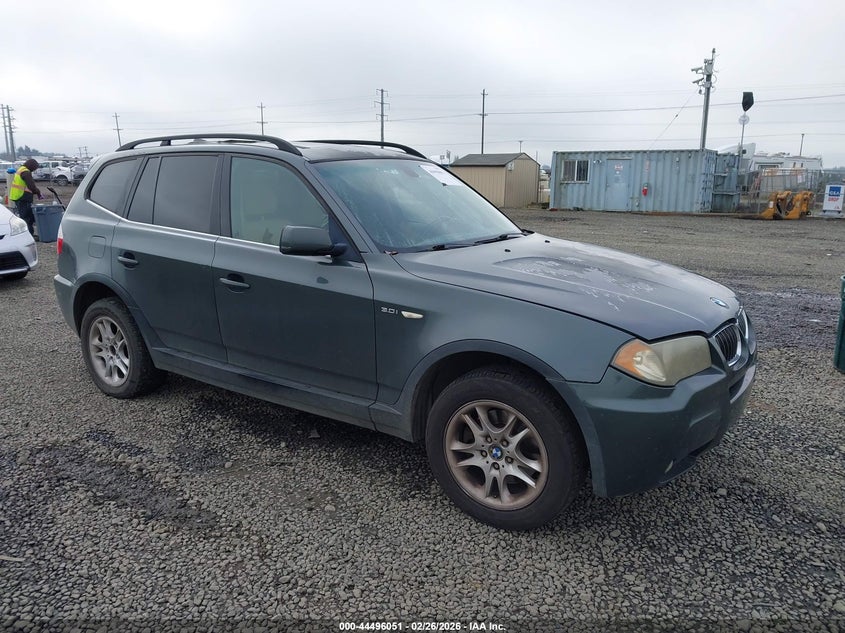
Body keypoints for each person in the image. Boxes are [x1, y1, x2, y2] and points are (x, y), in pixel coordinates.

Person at [9, 159, 42, 238]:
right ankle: (29, 236)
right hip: (23, 197)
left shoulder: (21, 169)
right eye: (34, 168)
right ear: (32, 166)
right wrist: (38, 192)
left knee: (27, 216)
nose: (34, 170)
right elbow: (32, 187)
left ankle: (29, 234)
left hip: (18, 196)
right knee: (26, 218)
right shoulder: (26, 172)